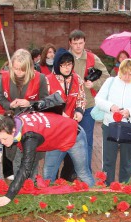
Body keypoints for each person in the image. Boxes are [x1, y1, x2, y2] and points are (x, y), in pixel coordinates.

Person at [0, 110, 94, 208]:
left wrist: (8, 196)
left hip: (73, 134)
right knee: (48, 174)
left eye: (4, 138)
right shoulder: (15, 122)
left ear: (13, 131)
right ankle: (51, 203)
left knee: (82, 172)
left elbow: (25, 168)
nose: (2, 142)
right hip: (56, 138)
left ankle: (96, 198)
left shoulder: (29, 137)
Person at [0, 48, 49, 180]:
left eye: (22, 69)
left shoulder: (40, 78)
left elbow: (45, 101)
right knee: (16, 161)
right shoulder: (3, 78)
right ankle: (18, 189)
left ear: (29, 67)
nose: (18, 72)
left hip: (31, 127)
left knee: (31, 161)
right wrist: (9, 105)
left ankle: (31, 186)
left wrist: (30, 103)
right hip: (13, 126)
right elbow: (0, 97)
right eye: (15, 68)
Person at [95, 58, 131, 186]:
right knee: (108, 159)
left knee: (126, 160)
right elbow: (98, 99)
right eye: (124, 73)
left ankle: (124, 187)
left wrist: (130, 112)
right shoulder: (110, 82)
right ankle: (107, 186)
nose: (127, 77)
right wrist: (111, 106)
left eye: (130, 74)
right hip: (110, 125)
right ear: (120, 71)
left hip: (130, 127)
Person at [69, 29, 109, 171]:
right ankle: (71, 171)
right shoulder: (65, 58)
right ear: (70, 43)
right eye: (75, 43)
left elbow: (106, 77)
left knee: (87, 139)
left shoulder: (92, 58)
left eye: (81, 43)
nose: (78, 46)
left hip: (89, 105)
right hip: (69, 107)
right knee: (69, 139)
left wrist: (94, 84)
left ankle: (86, 170)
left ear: (84, 42)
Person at [46, 47, 86, 181]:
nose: (67, 68)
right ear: (57, 65)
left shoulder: (77, 79)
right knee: (52, 163)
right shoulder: (48, 80)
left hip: (71, 126)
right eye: (63, 65)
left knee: (71, 160)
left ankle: (66, 182)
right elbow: (43, 104)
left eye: (69, 64)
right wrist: (58, 113)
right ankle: (51, 185)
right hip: (54, 128)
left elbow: (81, 98)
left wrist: (79, 111)